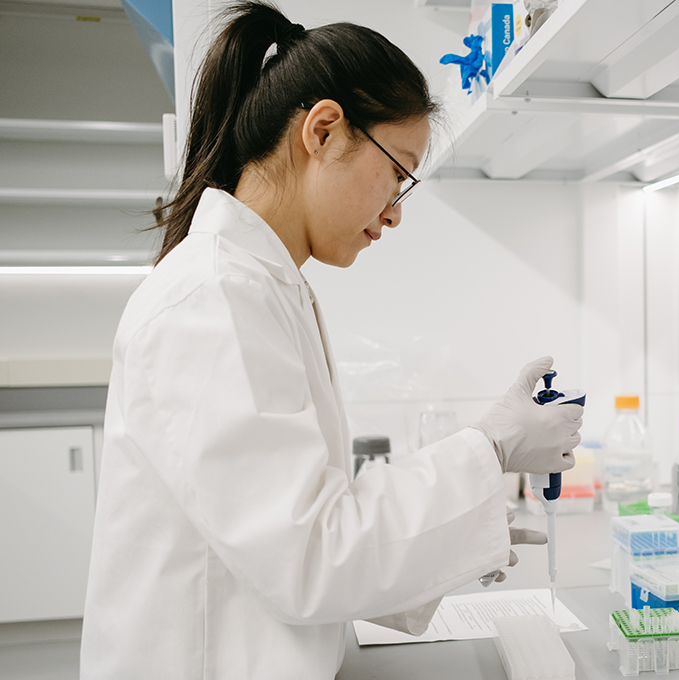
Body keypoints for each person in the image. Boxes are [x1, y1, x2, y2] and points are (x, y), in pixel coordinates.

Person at [78, 3, 582, 678]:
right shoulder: (213, 298)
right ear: (322, 130)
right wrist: (485, 455)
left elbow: (301, 527)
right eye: (398, 171)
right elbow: (309, 554)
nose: (397, 210)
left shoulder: (258, 286)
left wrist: (465, 513)